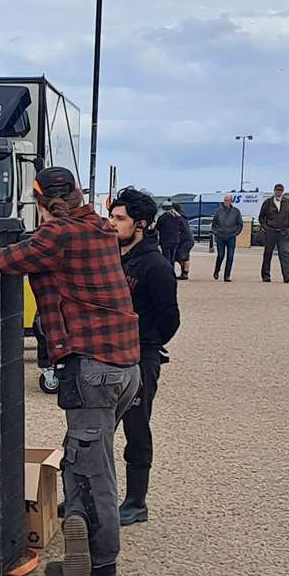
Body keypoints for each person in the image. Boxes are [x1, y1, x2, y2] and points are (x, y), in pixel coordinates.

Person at [0, 167, 140, 576]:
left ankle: (100, 560)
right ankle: (78, 526)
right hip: (126, 366)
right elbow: (31, 251)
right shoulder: (99, 227)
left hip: (92, 366)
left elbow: (8, 260)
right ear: (77, 193)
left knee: (91, 467)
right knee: (92, 456)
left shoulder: (57, 236)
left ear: (38, 202)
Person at [108, 189, 180, 526]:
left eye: (119, 219)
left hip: (141, 358)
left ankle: (136, 501)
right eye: (111, 216)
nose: (112, 223)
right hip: (106, 355)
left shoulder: (157, 266)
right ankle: (91, 497)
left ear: (142, 224)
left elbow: (170, 319)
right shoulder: (111, 257)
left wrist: (145, 344)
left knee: (137, 431)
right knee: (93, 432)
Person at [258, 183, 289, 283]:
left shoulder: (287, 202)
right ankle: (266, 275)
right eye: (277, 190)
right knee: (268, 253)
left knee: (284, 254)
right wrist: (266, 228)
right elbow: (261, 217)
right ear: (274, 191)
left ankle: (287, 275)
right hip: (271, 231)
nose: (279, 192)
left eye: (280, 190)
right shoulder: (267, 202)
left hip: (283, 232)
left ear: (283, 191)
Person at [155, 202, 194, 280]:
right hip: (175, 240)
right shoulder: (178, 217)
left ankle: (167, 274)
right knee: (172, 258)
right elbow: (182, 228)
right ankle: (172, 274)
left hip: (165, 240)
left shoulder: (162, 218)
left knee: (166, 258)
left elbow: (157, 228)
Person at [210, 194, 243, 281]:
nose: (226, 202)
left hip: (231, 236)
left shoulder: (236, 211)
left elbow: (240, 224)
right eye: (225, 200)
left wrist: (236, 233)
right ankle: (217, 270)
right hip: (220, 236)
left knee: (230, 256)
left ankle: (227, 275)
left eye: (228, 200)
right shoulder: (218, 211)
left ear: (231, 201)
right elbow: (214, 224)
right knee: (221, 255)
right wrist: (216, 232)